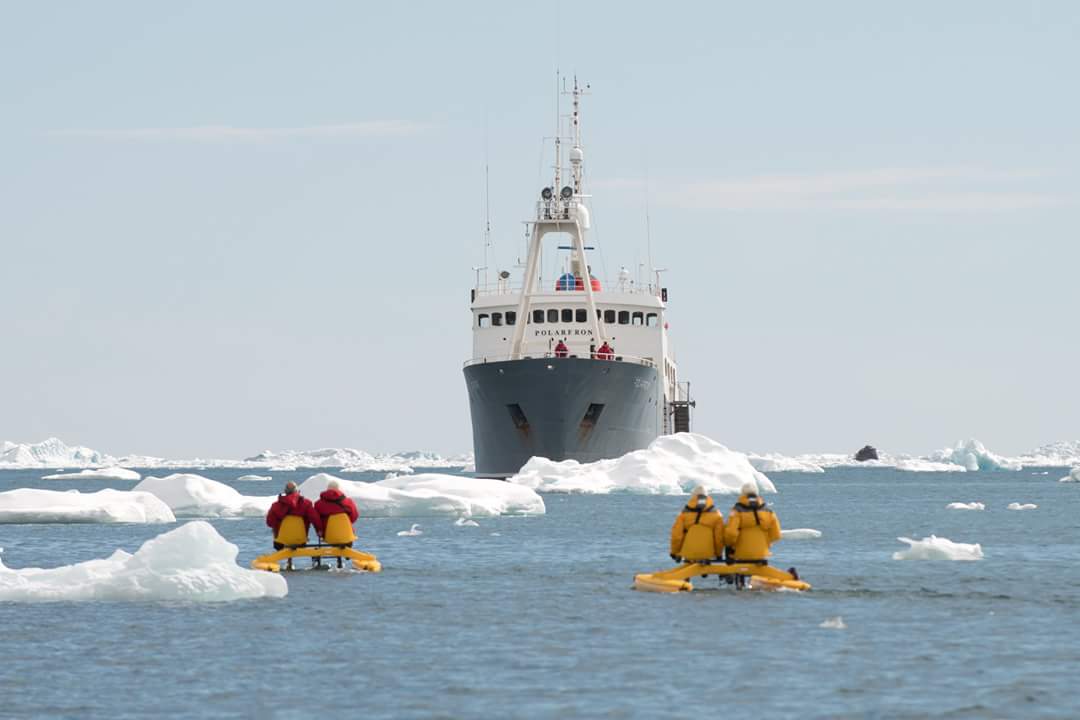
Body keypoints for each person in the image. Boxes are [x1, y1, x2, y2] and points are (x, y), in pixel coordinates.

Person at [724, 480, 781, 566]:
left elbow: (731, 533)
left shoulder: (737, 511)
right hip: (762, 553)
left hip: (741, 553)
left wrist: (730, 544)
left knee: (728, 544)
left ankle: (730, 573)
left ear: (742, 494)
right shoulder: (769, 512)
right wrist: (766, 543)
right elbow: (776, 535)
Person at [669, 485, 725, 564]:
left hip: (687, 552)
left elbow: (676, 536)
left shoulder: (683, 514)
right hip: (708, 553)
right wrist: (719, 554)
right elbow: (719, 538)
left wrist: (675, 552)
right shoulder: (717, 515)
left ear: (693, 496)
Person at [265, 480, 320, 549]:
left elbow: (269, 522)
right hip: (300, 541)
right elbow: (315, 519)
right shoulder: (306, 504)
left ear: (285, 491)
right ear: (297, 491)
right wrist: (319, 531)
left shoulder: (276, 505)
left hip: (281, 542)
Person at [314, 479, 360, 544]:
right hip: (347, 534)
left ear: (327, 489)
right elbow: (354, 516)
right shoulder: (348, 501)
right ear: (338, 489)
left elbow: (317, 520)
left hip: (329, 535)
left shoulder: (318, 504)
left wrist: (320, 531)